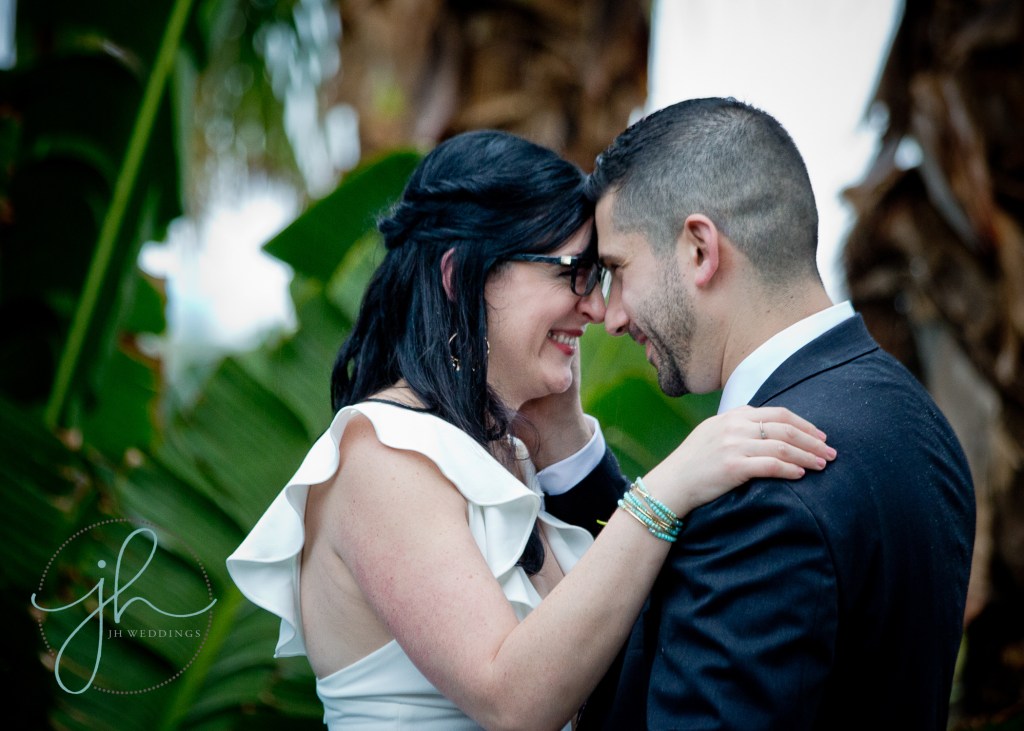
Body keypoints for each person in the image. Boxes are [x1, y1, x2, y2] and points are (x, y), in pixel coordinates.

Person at [226, 130, 836, 730]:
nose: (597, 309)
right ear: (458, 274)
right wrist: (667, 488)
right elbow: (512, 701)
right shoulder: (383, 458)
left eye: (598, 277)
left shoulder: (499, 450)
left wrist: (562, 423)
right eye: (572, 272)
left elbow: (611, 645)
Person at [582, 97, 976, 730]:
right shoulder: (918, 420)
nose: (611, 313)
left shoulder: (762, 485)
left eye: (617, 270)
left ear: (699, 250)